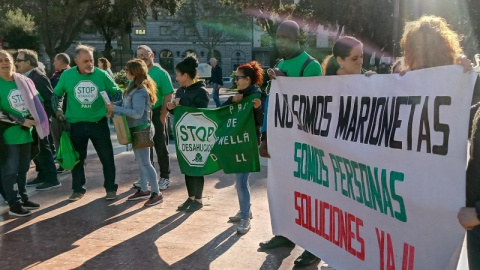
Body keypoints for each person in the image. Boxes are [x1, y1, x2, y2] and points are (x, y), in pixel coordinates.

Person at [399, 15, 479, 269]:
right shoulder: (403, 82)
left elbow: (470, 123)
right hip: (418, 188)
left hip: (445, 192)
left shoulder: (464, 80)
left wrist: (466, 77)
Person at [258, 20, 323, 268]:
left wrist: (289, 83)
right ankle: (286, 235)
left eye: (286, 37)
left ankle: (313, 246)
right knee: (284, 192)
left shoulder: (311, 66)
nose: (280, 41)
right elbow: (271, 106)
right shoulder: (280, 65)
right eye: (278, 36)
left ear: (298, 39)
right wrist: (264, 136)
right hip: (281, 144)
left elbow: (316, 108)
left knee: (309, 195)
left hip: (305, 146)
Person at [52, 44, 122, 201]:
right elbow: (56, 95)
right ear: (76, 61)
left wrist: (114, 106)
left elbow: (117, 92)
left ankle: (110, 188)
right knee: (78, 159)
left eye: (91, 60)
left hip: (99, 123)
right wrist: (58, 110)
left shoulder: (102, 74)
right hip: (75, 124)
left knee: (107, 157)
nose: (90, 64)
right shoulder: (67, 76)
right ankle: (78, 190)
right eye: (86, 61)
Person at [106, 59, 164, 206]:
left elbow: (137, 113)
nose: (125, 72)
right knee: (141, 162)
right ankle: (144, 189)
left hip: (142, 129)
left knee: (145, 162)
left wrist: (116, 109)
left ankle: (156, 193)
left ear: (134, 72)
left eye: (127, 70)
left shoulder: (140, 91)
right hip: (137, 129)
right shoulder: (133, 87)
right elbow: (127, 103)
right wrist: (116, 105)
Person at [221, 61, 266, 234]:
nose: (236, 81)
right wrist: (232, 100)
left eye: (238, 78)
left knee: (240, 181)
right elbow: (221, 112)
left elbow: (262, 121)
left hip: (249, 142)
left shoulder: (258, 96)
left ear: (247, 79)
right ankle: (245, 210)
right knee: (240, 180)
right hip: (238, 141)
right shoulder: (240, 94)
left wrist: (257, 108)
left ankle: (245, 217)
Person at [0, 50, 43, 216]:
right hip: (8, 136)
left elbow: (37, 101)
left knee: (24, 168)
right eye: (0, 60)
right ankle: (14, 204)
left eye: (7, 60)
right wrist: (20, 120)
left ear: (13, 63)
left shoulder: (22, 81)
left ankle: (23, 197)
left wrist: (35, 118)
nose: (4, 63)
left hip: (27, 134)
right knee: (9, 171)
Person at [166, 55, 209, 213]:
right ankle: (190, 197)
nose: (176, 78)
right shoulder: (180, 91)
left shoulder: (201, 91)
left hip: (197, 136)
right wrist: (171, 108)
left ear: (185, 75)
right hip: (183, 136)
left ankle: (198, 199)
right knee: (186, 167)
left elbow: (200, 111)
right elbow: (177, 113)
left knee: (197, 167)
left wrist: (181, 103)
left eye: (178, 75)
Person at [15, 49, 60, 191]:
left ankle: (52, 178)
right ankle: (42, 175)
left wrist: (41, 119)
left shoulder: (38, 77)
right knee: (36, 149)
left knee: (43, 149)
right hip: (33, 122)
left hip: (40, 122)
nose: (16, 63)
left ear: (28, 62)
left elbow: (50, 100)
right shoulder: (26, 77)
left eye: (18, 61)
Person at [136, 45, 174, 190]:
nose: (143, 57)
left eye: (145, 54)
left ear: (152, 55)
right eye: (139, 55)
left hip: (157, 113)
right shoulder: (138, 73)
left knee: (160, 146)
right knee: (144, 147)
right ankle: (145, 177)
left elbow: (168, 94)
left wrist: (163, 115)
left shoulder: (161, 73)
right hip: (142, 115)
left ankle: (165, 177)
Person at [50, 53, 71, 173]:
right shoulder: (73, 74)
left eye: (55, 61)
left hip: (61, 114)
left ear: (61, 61)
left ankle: (65, 163)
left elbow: (54, 95)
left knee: (60, 140)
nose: (53, 63)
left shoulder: (60, 77)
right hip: (67, 112)